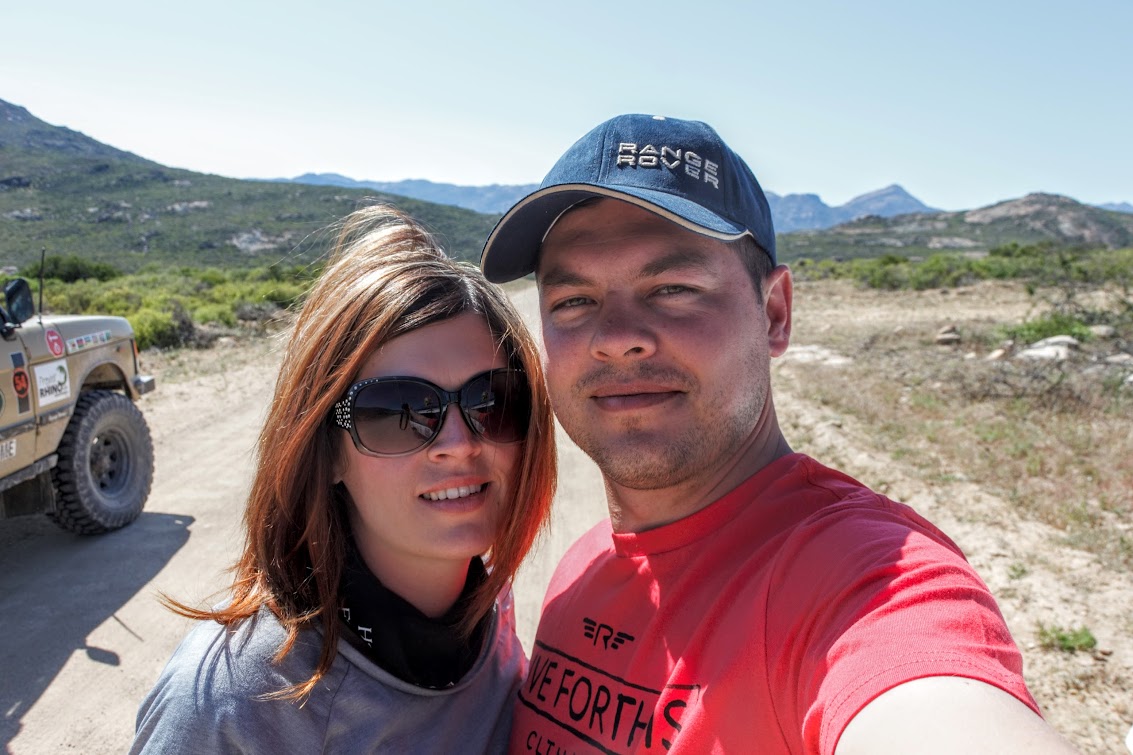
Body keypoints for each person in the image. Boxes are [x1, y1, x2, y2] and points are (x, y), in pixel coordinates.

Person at [480, 114, 1077, 754]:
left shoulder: (858, 580)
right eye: (574, 301)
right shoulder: (583, 569)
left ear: (774, 313)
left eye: (673, 288)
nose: (617, 338)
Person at [132, 205, 556, 753]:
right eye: (399, 411)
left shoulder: (489, 608)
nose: (459, 443)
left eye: (491, 401)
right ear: (326, 451)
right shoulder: (234, 703)